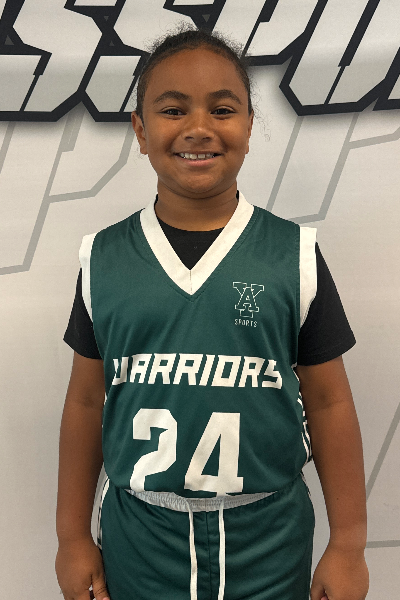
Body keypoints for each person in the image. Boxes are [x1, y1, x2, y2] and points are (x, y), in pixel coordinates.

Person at [56, 27, 369, 600]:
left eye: (222, 110)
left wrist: (348, 543)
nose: (198, 128)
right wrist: (71, 536)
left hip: (269, 538)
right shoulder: (103, 258)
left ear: (249, 125)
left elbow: (330, 403)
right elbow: (84, 401)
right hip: (140, 537)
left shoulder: (293, 255)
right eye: (173, 110)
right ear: (140, 130)